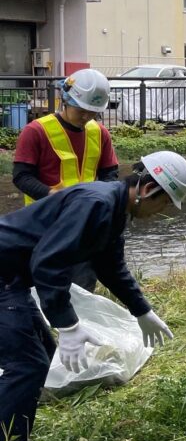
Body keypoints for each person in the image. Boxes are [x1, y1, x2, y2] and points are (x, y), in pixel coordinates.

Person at [0, 151, 186, 441]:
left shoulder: (113, 209)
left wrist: (142, 310)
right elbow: (48, 265)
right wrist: (69, 325)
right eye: (164, 203)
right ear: (149, 190)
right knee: (26, 365)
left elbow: (111, 268)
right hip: (5, 277)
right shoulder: (97, 203)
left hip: (12, 278)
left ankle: (13, 435)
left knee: (42, 354)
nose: (162, 212)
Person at [12, 70, 120, 293]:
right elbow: (21, 176)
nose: (86, 118)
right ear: (66, 99)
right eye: (81, 111)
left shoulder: (99, 133)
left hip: (83, 223)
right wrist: (54, 196)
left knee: (82, 290)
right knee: (42, 287)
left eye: (92, 113)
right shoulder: (36, 131)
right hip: (43, 223)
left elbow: (110, 174)